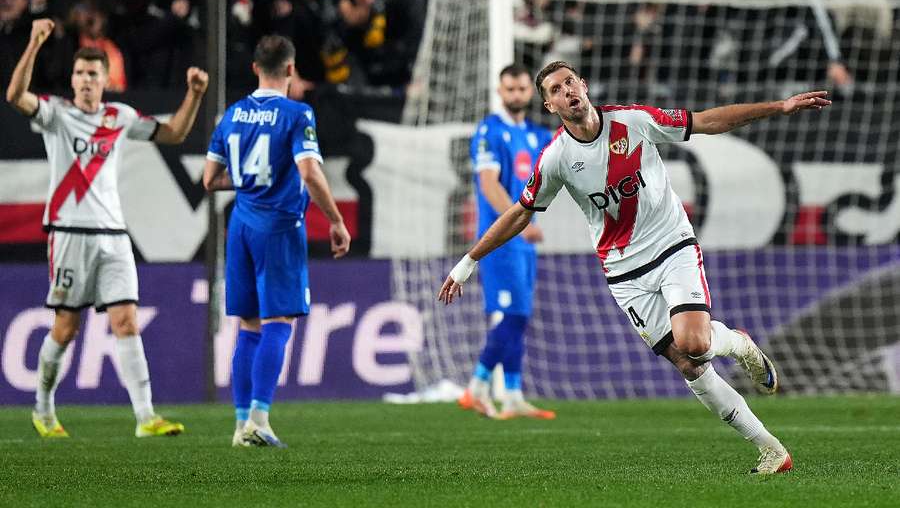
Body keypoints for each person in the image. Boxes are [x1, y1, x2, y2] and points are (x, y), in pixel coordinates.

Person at [440, 60, 831, 474]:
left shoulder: (634, 121)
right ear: (550, 105)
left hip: (671, 246)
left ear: (584, 85)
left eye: (570, 82)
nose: (567, 91)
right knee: (688, 365)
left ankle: (737, 344)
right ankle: (771, 449)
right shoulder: (555, 158)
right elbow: (521, 212)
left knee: (695, 342)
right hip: (624, 272)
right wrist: (468, 261)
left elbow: (707, 121)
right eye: (555, 89)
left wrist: (779, 107)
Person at [5, 18, 209, 438]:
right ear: (72, 79)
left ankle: (145, 417)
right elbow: (14, 96)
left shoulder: (119, 116)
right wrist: (34, 43)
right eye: (79, 73)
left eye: (92, 74)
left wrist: (194, 94)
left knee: (126, 321)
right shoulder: (57, 115)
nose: (84, 81)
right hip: (69, 233)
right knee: (66, 328)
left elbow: (173, 133)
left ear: (105, 81)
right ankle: (43, 409)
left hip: (114, 235)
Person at [202, 35, 351, 448]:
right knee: (279, 322)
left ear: (254, 68)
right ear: (290, 69)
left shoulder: (230, 115)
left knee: (248, 325)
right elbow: (309, 172)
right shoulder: (296, 112)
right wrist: (336, 221)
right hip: (280, 226)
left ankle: (239, 426)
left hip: (241, 226)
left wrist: (252, 179)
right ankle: (260, 420)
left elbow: (210, 180)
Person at [457, 64, 555, 420]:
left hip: (523, 243)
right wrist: (521, 223)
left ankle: (512, 395)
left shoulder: (535, 134)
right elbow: (488, 184)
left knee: (521, 316)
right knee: (512, 316)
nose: (515, 95)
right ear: (499, 92)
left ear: (532, 92)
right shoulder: (489, 131)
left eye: (521, 89)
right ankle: (477, 388)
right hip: (499, 240)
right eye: (509, 89)